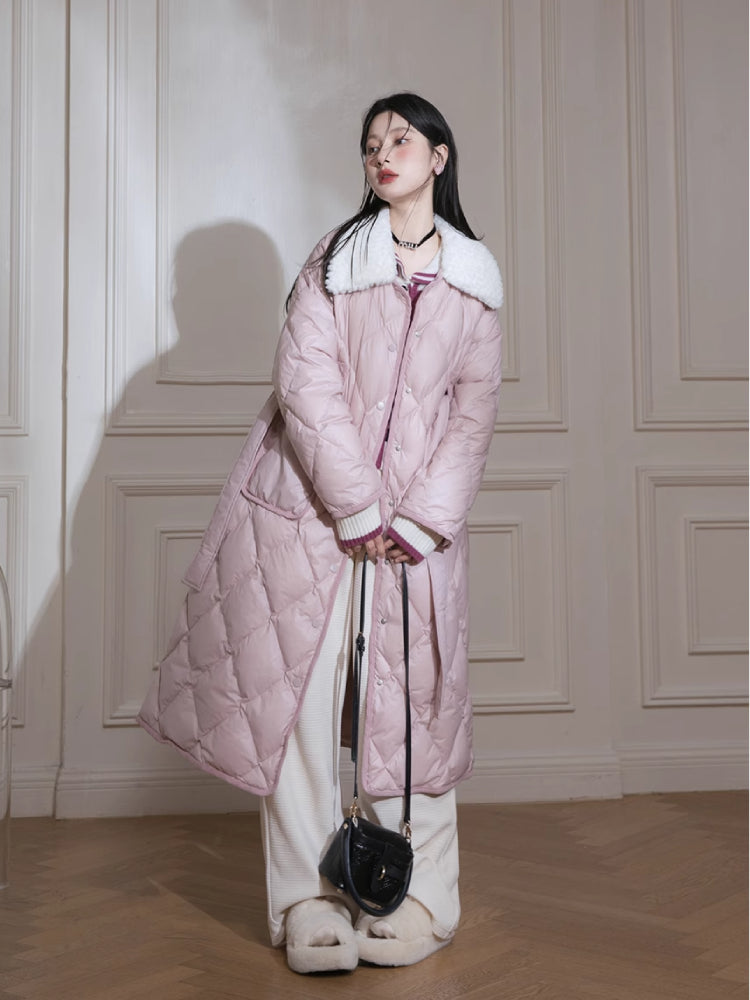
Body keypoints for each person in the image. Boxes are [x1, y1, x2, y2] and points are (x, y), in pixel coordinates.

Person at [137, 91, 503, 975]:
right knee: (299, 707)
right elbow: (305, 381)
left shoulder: (475, 279)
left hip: (416, 538)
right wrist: (359, 507)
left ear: (439, 157)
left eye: (401, 138)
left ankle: (423, 899)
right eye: (371, 142)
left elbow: (474, 413)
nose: (382, 152)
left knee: (414, 713)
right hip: (311, 520)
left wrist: (418, 520)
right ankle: (307, 900)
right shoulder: (336, 260)